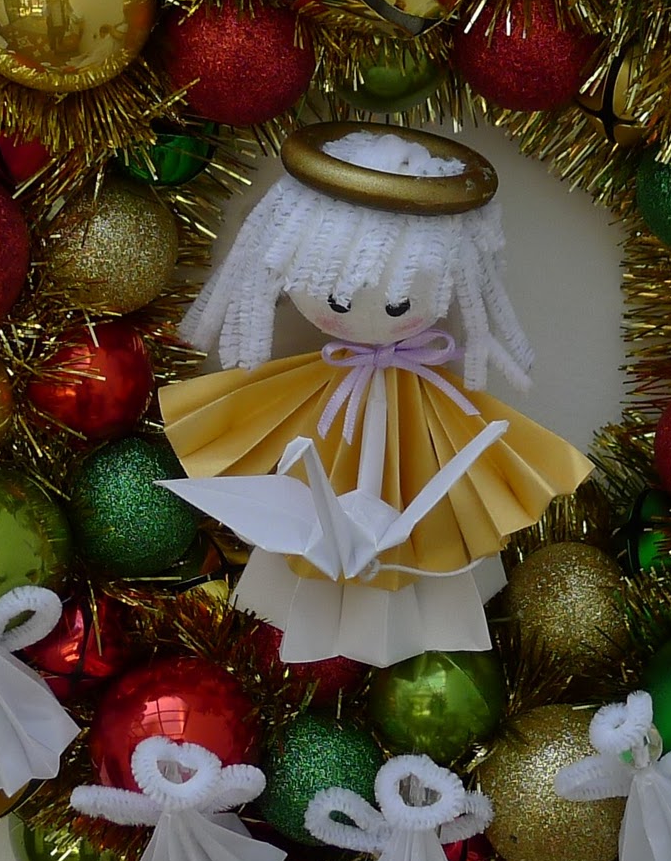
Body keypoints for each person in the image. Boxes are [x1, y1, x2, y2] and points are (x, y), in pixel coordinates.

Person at [160, 122, 592, 666]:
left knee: (427, 493)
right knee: (306, 502)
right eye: (338, 301)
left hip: (414, 396)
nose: (362, 315)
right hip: (329, 394)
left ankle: (419, 621)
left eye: (397, 306)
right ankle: (305, 618)